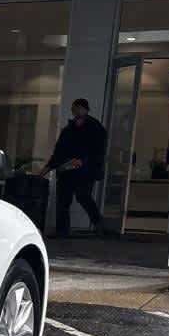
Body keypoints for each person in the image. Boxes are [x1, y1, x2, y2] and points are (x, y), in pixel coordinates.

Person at [42, 98, 110, 237]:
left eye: (78, 109)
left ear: (85, 110)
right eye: (74, 109)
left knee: (82, 195)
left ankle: (99, 224)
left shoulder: (95, 128)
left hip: (85, 170)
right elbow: (59, 150)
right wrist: (49, 167)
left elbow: (98, 151)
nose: (75, 112)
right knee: (63, 199)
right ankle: (62, 231)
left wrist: (83, 162)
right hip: (67, 169)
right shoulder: (69, 129)